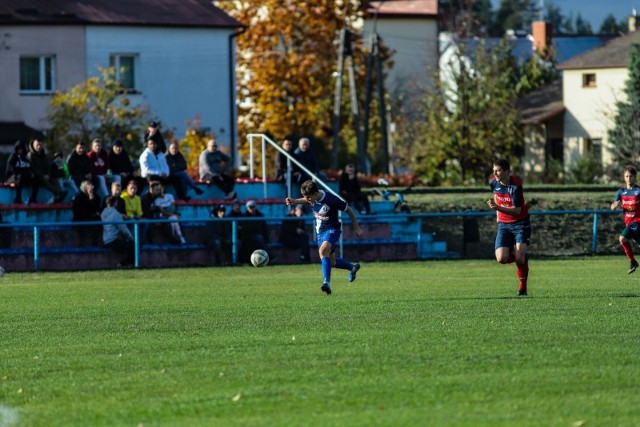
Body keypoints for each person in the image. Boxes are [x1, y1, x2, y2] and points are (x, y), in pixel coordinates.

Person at [285, 180, 363, 295]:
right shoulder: (312, 198)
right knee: (332, 262)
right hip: (320, 232)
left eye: (309, 197)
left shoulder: (331, 199)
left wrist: (357, 228)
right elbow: (307, 200)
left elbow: (350, 210)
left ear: (315, 193)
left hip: (332, 229)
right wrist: (294, 201)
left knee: (322, 251)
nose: (307, 200)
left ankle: (326, 283)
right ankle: (352, 268)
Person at [486, 158, 531, 297]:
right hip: (504, 225)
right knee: (501, 258)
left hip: (520, 224)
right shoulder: (493, 182)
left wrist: (497, 207)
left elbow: (517, 210)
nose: (496, 173)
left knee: (518, 259)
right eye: (494, 170)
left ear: (507, 171)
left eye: (498, 170)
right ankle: (521, 257)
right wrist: (499, 218)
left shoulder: (516, 185)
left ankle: (522, 288)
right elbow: (496, 196)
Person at [611, 166, 640, 274]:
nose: (629, 178)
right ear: (624, 177)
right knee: (622, 240)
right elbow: (612, 206)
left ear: (635, 177)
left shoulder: (638, 190)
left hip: (638, 221)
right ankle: (633, 262)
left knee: (625, 234)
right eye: (626, 176)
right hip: (629, 223)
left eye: (631, 176)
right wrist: (614, 206)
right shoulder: (621, 192)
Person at [28, 138, 67, 203]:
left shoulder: (43, 155)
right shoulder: (30, 155)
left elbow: (48, 166)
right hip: (36, 177)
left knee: (54, 179)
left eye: (40, 145)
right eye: (37, 145)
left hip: (45, 175)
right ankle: (58, 193)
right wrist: (42, 175)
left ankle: (58, 195)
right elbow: (33, 168)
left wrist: (48, 175)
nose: (39, 147)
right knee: (44, 181)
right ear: (33, 145)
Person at [101, 196, 135, 267]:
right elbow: (124, 229)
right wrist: (132, 238)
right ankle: (121, 264)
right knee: (133, 247)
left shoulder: (103, 213)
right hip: (113, 240)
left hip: (105, 240)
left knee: (129, 247)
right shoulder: (115, 214)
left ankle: (129, 265)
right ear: (115, 203)